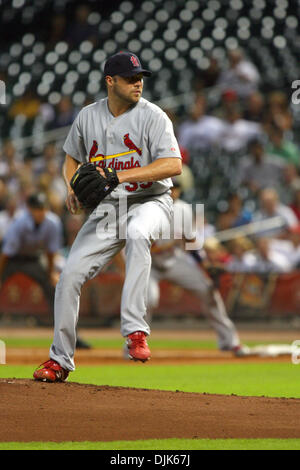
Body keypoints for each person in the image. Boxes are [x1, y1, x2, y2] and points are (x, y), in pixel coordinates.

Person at [33, 51, 182, 382]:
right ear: (110, 82)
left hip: (151, 200)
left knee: (139, 234)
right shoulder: (88, 117)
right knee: (69, 275)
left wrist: (119, 176)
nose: (138, 83)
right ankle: (59, 360)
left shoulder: (154, 117)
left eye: (140, 77)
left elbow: (173, 165)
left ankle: (134, 331)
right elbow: (71, 158)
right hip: (109, 208)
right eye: (130, 78)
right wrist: (72, 187)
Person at [144, 181, 249, 356]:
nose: (173, 192)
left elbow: (191, 243)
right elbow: (145, 246)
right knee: (148, 299)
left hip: (174, 261)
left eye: (176, 188)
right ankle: (133, 346)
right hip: (148, 263)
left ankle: (230, 342)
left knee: (208, 290)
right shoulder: (147, 208)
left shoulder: (183, 209)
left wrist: (204, 265)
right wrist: (172, 243)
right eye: (169, 188)